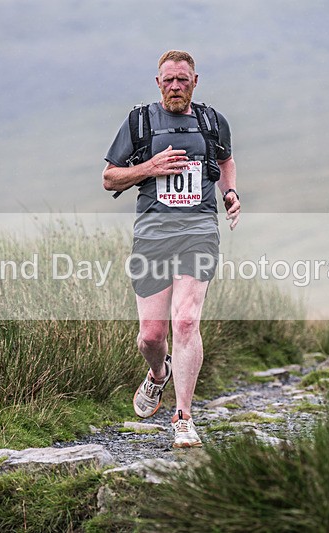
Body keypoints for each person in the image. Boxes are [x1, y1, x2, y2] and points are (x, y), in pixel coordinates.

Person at [102, 50, 240, 448]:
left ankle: (183, 417)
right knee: (150, 335)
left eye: (183, 79)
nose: (176, 86)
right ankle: (158, 374)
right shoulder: (140, 122)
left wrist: (229, 192)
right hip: (152, 234)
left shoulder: (212, 122)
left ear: (195, 81)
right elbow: (110, 178)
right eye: (169, 80)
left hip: (198, 230)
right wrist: (150, 168)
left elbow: (226, 159)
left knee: (185, 322)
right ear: (158, 82)